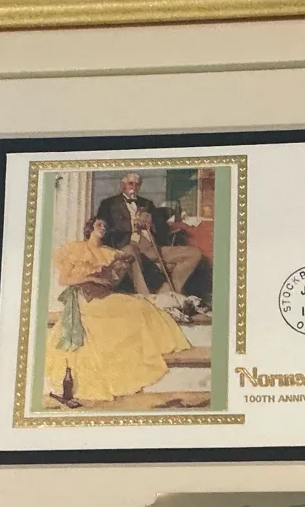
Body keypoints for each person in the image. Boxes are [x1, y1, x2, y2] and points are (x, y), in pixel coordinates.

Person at [44, 217, 190, 404]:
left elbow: (112, 283)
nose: (103, 228)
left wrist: (114, 273)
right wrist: (91, 278)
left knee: (140, 306)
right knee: (132, 308)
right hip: (85, 299)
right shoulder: (76, 249)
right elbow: (64, 280)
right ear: (89, 228)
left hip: (103, 295)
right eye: (99, 225)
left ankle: (143, 351)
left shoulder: (109, 253)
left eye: (105, 226)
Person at [94, 172, 204, 296]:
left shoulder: (147, 204)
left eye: (137, 184)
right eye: (131, 183)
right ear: (122, 185)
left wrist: (151, 222)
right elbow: (104, 228)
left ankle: (166, 292)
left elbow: (162, 229)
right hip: (126, 247)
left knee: (194, 254)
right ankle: (146, 297)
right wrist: (132, 224)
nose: (134, 187)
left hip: (151, 248)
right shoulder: (108, 204)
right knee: (131, 250)